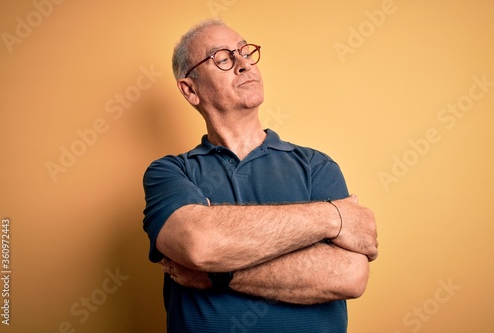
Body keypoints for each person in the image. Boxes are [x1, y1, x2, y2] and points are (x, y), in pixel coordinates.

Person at [142, 19, 378, 333]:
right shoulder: (170, 172)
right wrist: (332, 216)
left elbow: (348, 275)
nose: (243, 64)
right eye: (223, 59)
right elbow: (200, 244)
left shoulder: (316, 166)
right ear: (190, 89)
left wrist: (219, 274)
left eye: (245, 52)